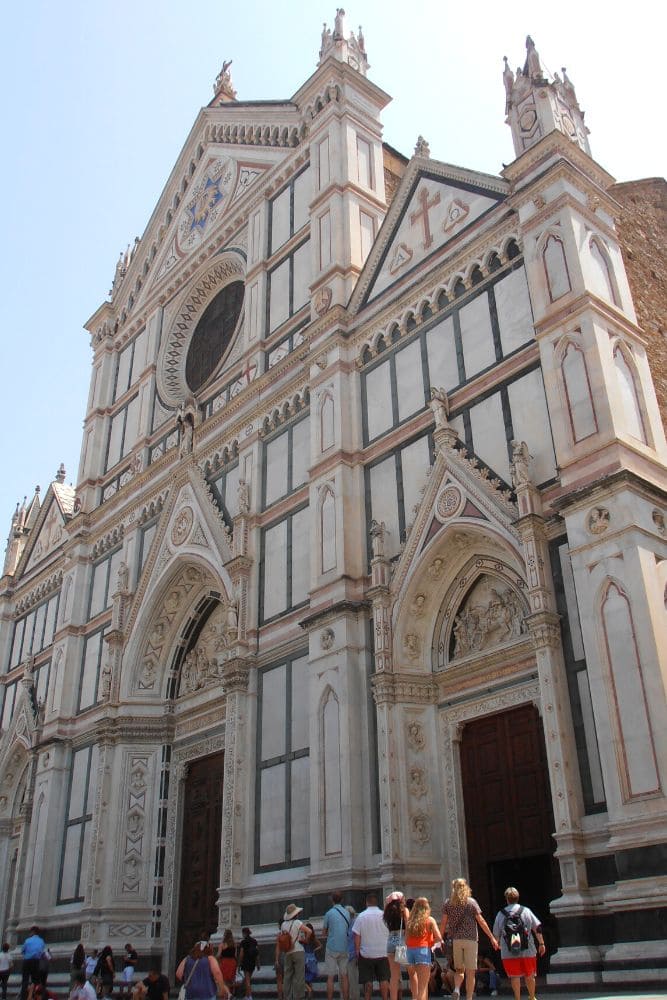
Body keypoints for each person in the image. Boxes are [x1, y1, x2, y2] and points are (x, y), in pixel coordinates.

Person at [440, 879, 498, 1000]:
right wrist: (491, 937)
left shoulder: (448, 903)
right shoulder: (471, 902)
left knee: (459, 970)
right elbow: (481, 921)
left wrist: (440, 939)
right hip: (471, 939)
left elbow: (444, 923)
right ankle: (469, 997)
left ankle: (456, 989)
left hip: (456, 940)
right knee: (471, 972)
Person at [492, 887, 545, 1000]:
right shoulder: (526, 911)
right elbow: (538, 928)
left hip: (508, 951)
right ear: (518, 898)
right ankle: (532, 997)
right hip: (528, 949)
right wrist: (541, 943)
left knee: (514, 976)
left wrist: (497, 944)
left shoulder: (500, 914)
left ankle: (517, 998)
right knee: (530, 975)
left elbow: (496, 934)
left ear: (506, 899)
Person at [351, 892, 389, 1000]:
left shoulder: (361, 916)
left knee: (367, 981)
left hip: (366, 953)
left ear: (366, 903)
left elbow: (357, 936)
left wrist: (357, 951)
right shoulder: (384, 916)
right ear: (377, 903)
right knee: (384, 979)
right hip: (383, 952)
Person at [404, 897, 442, 1000]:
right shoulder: (430, 920)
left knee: (413, 979)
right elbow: (439, 938)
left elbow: (406, 940)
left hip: (410, 952)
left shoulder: (410, 921)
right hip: (423, 950)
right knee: (423, 985)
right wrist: (430, 942)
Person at [277, 904, 312, 1000]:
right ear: (295, 914)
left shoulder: (283, 924)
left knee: (287, 976)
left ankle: (287, 996)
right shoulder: (297, 922)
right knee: (299, 975)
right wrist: (305, 940)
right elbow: (309, 931)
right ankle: (298, 996)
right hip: (298, 951)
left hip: (288, 952)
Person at [322, 891, 351, 1000]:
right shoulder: (347, 913)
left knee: (330, 977)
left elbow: (324, 933)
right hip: (344, 947)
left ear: (332, 900)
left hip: (332, 948)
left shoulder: (329, 913)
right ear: (342, 900)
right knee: (344, 976)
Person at [382, 892, 408, 1000]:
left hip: (390, 942)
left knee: (393, 976)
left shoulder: (387, 912)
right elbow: (409, 926)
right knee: (411, 970)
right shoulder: (404, 911)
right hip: (401, 942)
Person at [21, 926, 45, 1000]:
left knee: (25, 980)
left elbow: (22, 950)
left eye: (30, 932)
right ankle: (35, 996)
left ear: (33, 932)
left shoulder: (27, 940)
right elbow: (41, 951)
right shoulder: (41, 941)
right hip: (36, 962)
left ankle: (24, 996)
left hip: (27, 961)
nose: (29, 934)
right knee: (35, 980)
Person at [238, 928, 260, 1000]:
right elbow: (257, 953)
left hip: (245, 962)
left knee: (247, 980)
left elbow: (241, 954)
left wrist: (239, 964)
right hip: (252, 962)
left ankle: (250, 996)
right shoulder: (254, 941)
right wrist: (258, 964)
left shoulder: (243, 942)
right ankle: (247, 996)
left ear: (244, 933)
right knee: (248, 979)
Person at [303, 924, 321, 997]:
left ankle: (309, 990)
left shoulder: (305, 939)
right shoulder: (313, 938)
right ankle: (310, 993)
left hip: (306, 959)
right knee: (309, 977)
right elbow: (320, 945)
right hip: (312, 958)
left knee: (302, 976)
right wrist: (314, 950)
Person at [344, 908, 359, 1000]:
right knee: (348, 981)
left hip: (351, 955)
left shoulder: (354, 923)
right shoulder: (346, 924)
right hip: (345, 955)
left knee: (352, 981)